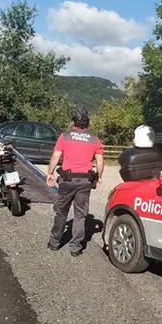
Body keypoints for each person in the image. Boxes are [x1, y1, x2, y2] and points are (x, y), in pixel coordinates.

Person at [46, 108, 105, 257]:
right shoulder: (94, 139)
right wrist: (99, 177)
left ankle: (54, 243)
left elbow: (55, 156)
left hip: (67, 180)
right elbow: (100, 160)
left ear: (74, 121)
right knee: (80, 215)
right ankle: (75, 247)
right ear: (87, 122)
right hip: (85, 181)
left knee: (61, 212)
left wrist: (50, 173)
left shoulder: (65, 136)